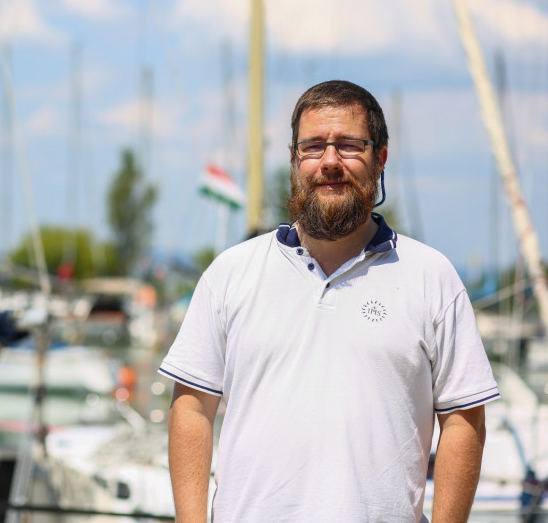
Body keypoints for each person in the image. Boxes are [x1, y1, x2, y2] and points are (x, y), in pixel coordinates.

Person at [158, 80, 500, 523]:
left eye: (349, 145)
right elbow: (191, 408)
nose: (331, 161)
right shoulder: (231, 272)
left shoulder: (431, 276)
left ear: (380, 159)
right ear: (294, 159)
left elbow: (463, 420)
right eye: (314, 146)